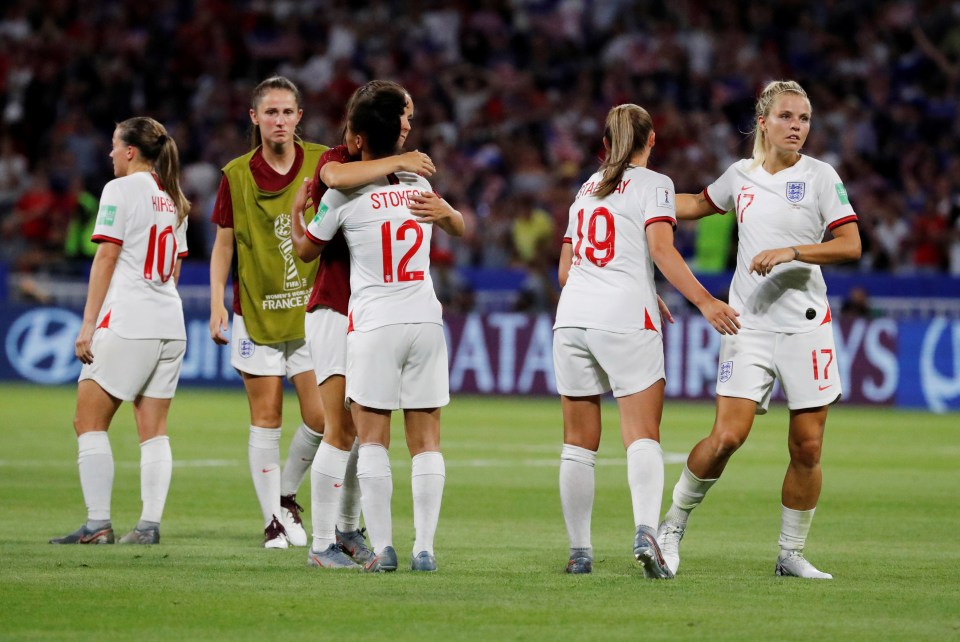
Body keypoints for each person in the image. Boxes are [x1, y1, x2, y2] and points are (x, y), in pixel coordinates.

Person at [657, 80, 862, 580]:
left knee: (807, 447)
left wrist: (794, 251)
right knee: (728, 436)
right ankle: (670, 529)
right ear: (764, 122)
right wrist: (639, 191)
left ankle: (790, 553)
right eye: (788, 117)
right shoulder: (740, 176)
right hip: (748, 324)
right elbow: (695, 205)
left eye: (805, 119)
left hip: (807, 326)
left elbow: (851, 244)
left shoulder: (820, 177)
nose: (798, 127)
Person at [553, 104, 740, 577]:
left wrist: (642, 285)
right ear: (651, 139)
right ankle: (645, 532)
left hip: (571, 319)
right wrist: (704, 302)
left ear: (606, 142)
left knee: (578, 444)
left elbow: (565, 271)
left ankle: (579, 552)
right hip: (624, 321)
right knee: (642, 436)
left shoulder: (585, 188)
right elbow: (660, 248)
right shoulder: (654, 184)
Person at [293, 81, 464, 572]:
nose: (411, 124)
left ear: (363, 134)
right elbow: (331, 170)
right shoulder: (411, 183)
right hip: (406, 316)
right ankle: (417, 548)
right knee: (409, 438)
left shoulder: (349, 193)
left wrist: (294, 218)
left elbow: (306, 248)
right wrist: (444, 209)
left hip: (369, 320)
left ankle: (363, 541)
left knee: (361, 436)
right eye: (405, 117)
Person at [50, 117, 190, 545]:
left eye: (115, 145)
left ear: (131, 151)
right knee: (154, 428)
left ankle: (97, 524)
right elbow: (175, 268)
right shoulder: (175, 199)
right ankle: (148, 526)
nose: (110, 153)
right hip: (171, 321)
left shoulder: (119, 190)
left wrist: (89, 323)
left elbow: (106, 258)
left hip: (130, 320)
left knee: (87, 421)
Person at [208, 76, 327, 549]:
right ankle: (272, 522)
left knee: (321, 419)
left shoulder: (323, 163)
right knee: (266, 416)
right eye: (270, 112)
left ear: (300, 117)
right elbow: (221, 244)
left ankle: (285, 494)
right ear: (254, 118)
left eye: (287, 112)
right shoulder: (235, 174)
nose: (279, 120)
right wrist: (216, 299)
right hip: (255, 311)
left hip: (310, 312)